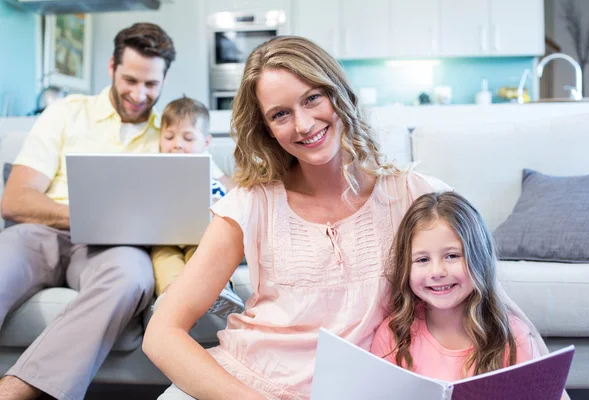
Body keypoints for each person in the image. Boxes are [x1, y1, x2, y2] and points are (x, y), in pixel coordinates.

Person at [143, 35, 450, 400]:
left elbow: (489, 306)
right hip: (247, 382)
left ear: (337, 92)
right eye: (280, 114)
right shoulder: (249, 204)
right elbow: (162, 333)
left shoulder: (414, 195)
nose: (304, 124)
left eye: (312, 98)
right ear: (267, 129)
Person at [0, 23, 175, 400]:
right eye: (130, 79)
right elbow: (15, 200)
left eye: (151, 85)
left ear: (164, 81)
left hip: (116, 248)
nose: (139, 94)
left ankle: (16, 391)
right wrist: (85, 215)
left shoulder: (172, 134)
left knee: (132, 276)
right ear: (112, 66)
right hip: (43, 234)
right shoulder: (66, 113)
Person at [370, 192, 568, 399]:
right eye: (422, 260)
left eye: (452, 256)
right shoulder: (393, 336)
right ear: (405, 267)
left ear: (479, 257)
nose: (437, 271)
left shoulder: (512, 335)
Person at [152, 96, 243, 317]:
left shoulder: (207, 167)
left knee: (208, 251)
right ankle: (171, 298)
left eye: (188, 138)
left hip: (200, 234)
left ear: (206, 142)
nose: (177, 144)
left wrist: (217, 203)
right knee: (163, 258)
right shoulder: (155, 166)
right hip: (167, 238)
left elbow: (229, 195)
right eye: (169, 137)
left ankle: (220, 289)